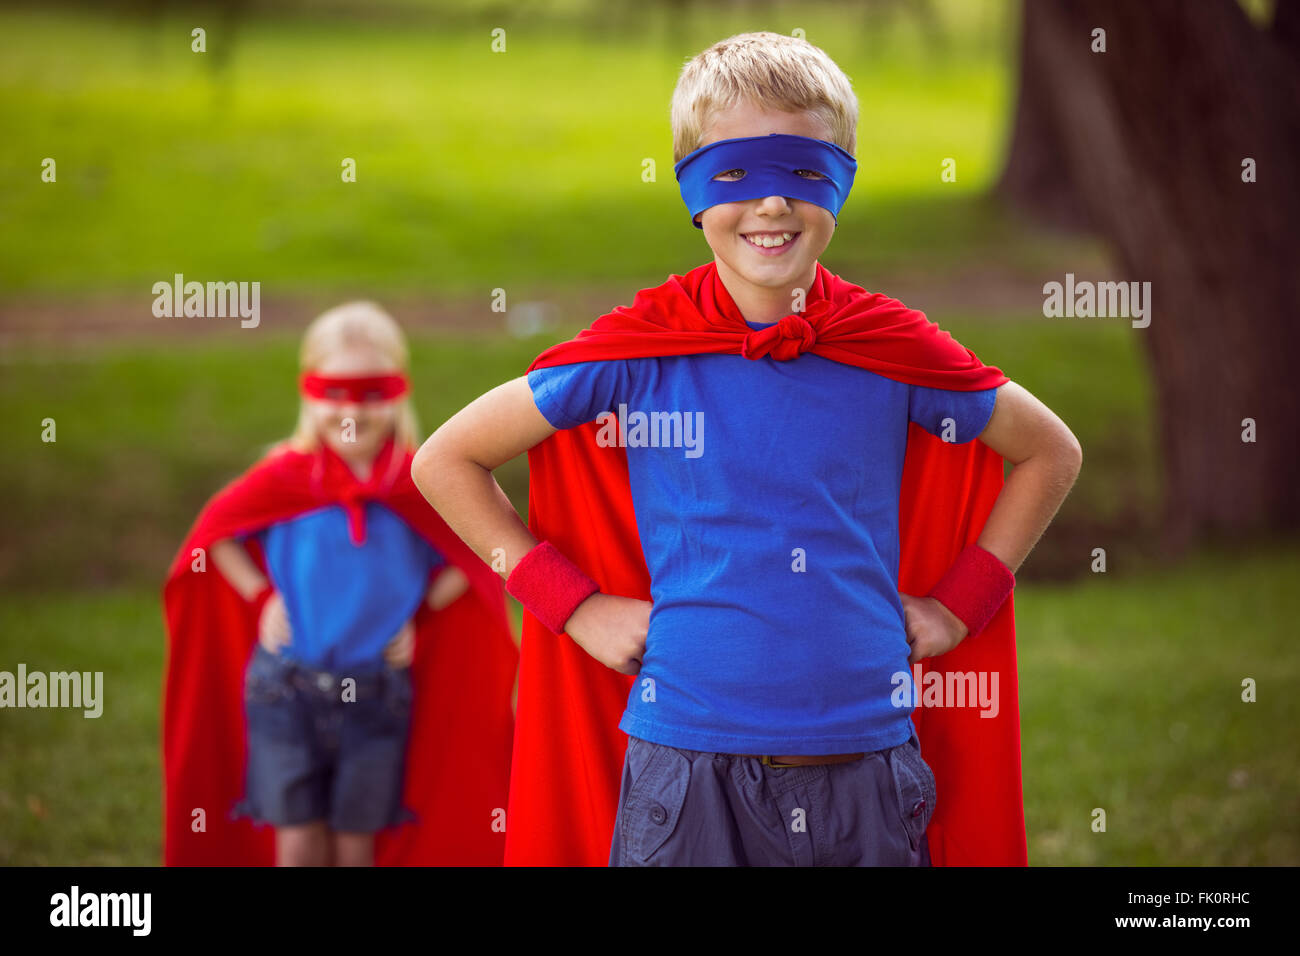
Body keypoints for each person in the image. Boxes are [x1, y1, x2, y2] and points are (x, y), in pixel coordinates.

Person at [413, 32, 1082, 866]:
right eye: (736, 175)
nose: (771, 206)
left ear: (841, 183)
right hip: (685, 771)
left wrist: (959, 603)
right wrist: (572, 606)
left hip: (864, 764)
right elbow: (443, 460)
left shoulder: (890, 346)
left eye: (803, 174)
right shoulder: (642, 349)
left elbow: (1049, 451)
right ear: (693, 191)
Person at [162, 301, 517, 866]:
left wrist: (419, 613)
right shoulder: (284, 476)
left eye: (372, 392)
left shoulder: (418, 482)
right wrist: (260, 596)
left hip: (378, 694)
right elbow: (216, 535)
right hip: (283, 691)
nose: (353, 411)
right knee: (297, 838)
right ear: (309, 394)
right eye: (336, 392)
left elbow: (475, 556)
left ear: (399, 392)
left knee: (358, 842)